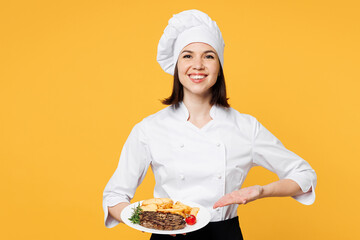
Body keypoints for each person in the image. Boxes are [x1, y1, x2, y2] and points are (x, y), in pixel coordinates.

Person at [102, 9, 317, 240]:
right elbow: (114, 196)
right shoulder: (150, 128)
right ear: (176, 66)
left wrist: (261, 191)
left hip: (225, 235)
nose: (198, 65)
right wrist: (147, 220)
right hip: (168, 237)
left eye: (208, 56)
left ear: (219, 66)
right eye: (187, 56)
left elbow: (304, 177)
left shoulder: (245, 127)